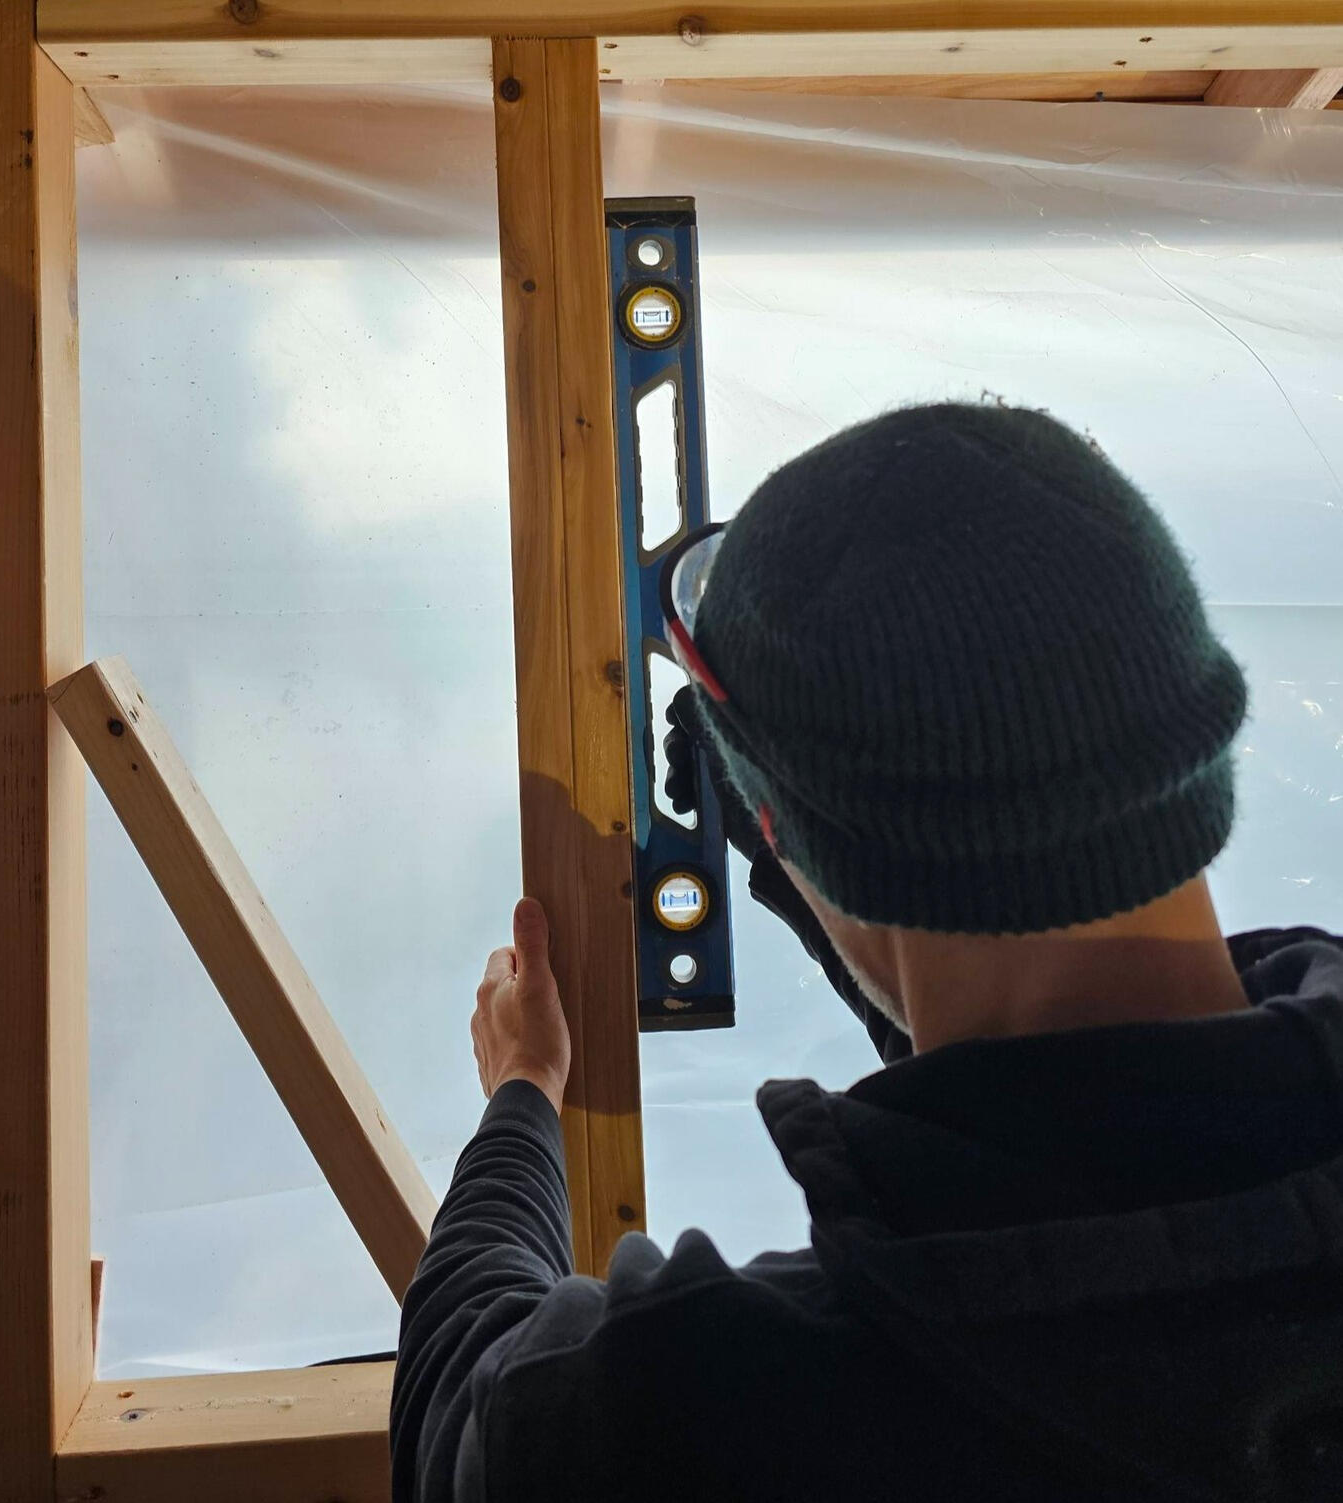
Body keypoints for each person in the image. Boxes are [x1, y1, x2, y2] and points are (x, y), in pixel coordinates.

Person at [389, 403, 1343, 1502]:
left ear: (791, 833)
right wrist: (808, 843)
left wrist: (522, 1092)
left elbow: (464, 1402)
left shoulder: (715, 1409)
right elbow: (1073, 1124)